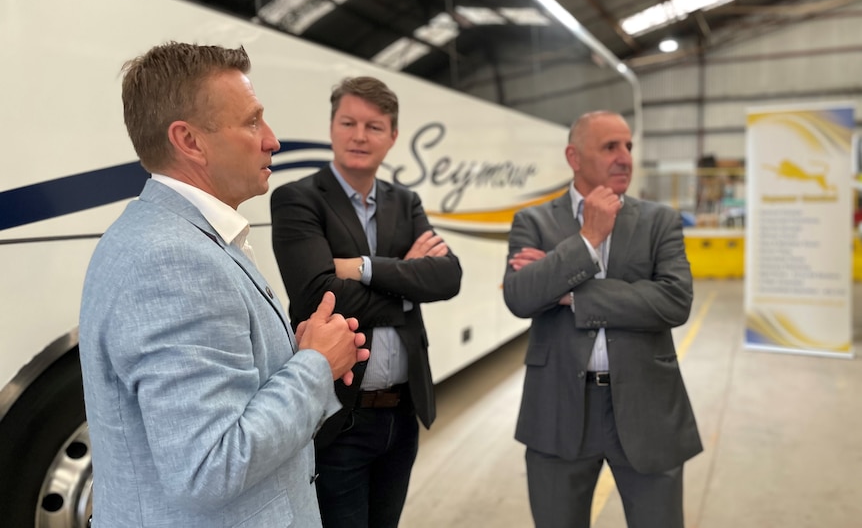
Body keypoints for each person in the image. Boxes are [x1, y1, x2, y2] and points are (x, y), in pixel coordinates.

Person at [78, 42, 369, 528]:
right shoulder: (170, 260)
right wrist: (316, 365)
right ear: (189, 141)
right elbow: (208, 466)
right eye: (253, 122)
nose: (272, 140)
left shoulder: (176, 236)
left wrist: (297, 361)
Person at [270, 76, 462, 528]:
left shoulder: (405, 201)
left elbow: (448, 276)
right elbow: (318, 293)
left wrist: (361, 267)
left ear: (393, 137)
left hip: (402, 414)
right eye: (348, 122)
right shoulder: (298, 199)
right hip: (341, 419)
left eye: (374, 127)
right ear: (332, 127)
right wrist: (409, 286)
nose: (359, 135)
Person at [503, 110, 702, 528]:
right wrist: (587, 240)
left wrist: (571, 291)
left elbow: (674, 301)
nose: (625, 157)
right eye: (610, 146)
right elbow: (521, 297)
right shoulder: (533, 222)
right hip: (557, 410)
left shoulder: (658, 222)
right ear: (574, 157)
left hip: (648, 409)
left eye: (628, 146)